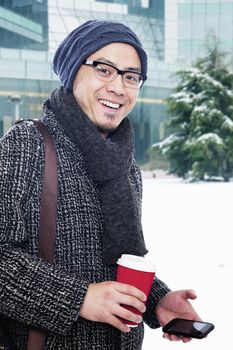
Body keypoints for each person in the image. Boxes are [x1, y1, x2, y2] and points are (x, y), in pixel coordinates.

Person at [0, 20, 201, 350]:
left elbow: (117, 262)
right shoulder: (27, 145)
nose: (119, 88)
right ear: (73, 72)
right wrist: (80, 299)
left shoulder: (126, 166)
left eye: (131, 76)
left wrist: (158, 301)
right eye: (104, 70)